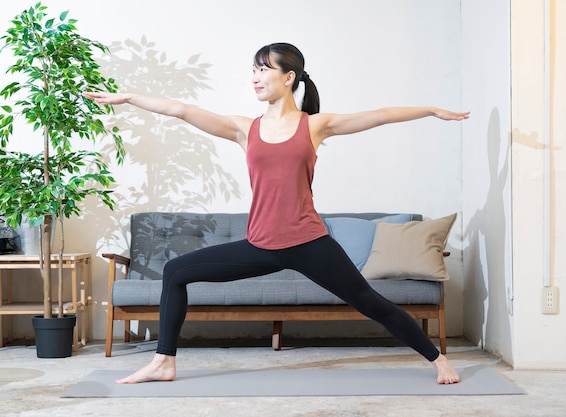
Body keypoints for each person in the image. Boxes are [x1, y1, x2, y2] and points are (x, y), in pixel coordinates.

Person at [84, 42, 469, 386]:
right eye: (253, 70)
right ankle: (164, 361)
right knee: (176, 272)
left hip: (309, 243)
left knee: (370, 302)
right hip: (261, 245)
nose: (255, 77)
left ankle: (437, 359)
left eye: (263, 69)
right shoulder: (243, 129)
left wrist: (431, 110)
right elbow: (181, 110)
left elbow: (381, 114)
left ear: (288, 77)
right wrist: (130, 97)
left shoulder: (315, 125)